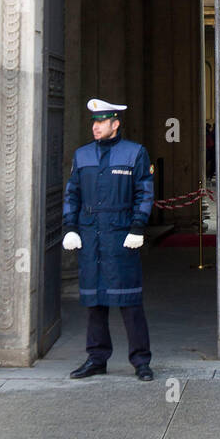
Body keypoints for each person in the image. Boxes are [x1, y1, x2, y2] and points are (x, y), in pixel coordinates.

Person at [62, 97, 155, 380]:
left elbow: (144, 192)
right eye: (94, 122)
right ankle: (96, 358)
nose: (96, 127)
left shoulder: (135, 153)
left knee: (129, 301)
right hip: (91, 235)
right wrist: (70, 226)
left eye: (102, 122)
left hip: (120, 234)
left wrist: (138, 227)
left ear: (116, 124)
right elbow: (72, 194)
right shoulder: (83, 155)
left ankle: (141, 361)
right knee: (95, 301)